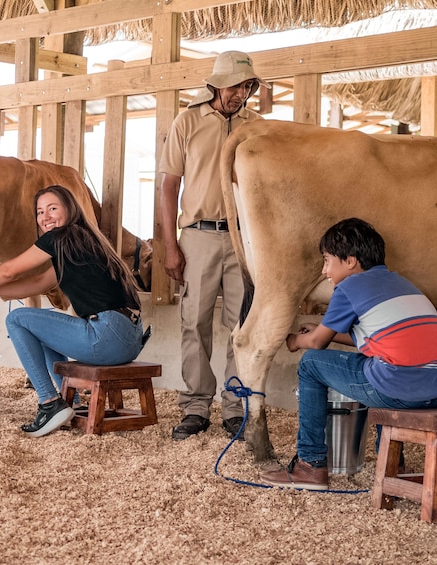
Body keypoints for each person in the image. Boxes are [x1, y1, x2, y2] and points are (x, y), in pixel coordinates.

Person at [260, 218, 437, 490]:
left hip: (398, 387)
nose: (324, 270)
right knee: (381, 366)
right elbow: (381, 339)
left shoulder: (348, 288)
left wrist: (296, 340)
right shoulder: (402, 283)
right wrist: (321, 331)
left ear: (350, 261)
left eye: (327, 260)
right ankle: (392, 465)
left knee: (310, 364)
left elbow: (318, 344)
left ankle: (310, 465)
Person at [0, 185, 146, 438]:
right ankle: (73, 401)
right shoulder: (82, 239)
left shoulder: (60, 237)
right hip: (131, 339)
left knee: (17, 319)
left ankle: (49, 403)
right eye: (39, 211)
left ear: (69, 209)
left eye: (52, 209)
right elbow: (39, 284)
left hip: (107, 337)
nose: (45, 217)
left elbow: (9, 271)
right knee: (41, 325)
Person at [158, 51, 271, 441]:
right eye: (237, 85)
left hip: (243, 237)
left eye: (247, 86)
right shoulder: (187, 120)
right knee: (194, 322)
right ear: (217, 84)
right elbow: (169, 186)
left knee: (240, 324)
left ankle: (234, 406)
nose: (242, 93)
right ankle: (195, 406)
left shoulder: (257, 127)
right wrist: (169, 246)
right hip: (198, 235)